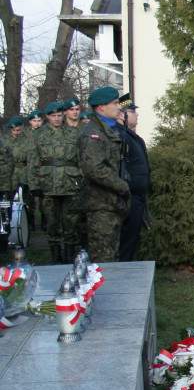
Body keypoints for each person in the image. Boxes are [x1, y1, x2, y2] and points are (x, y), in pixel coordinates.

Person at [78, 87, 130, 263]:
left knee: (112, 255)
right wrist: (122, 185)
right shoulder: (93, 133)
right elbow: (94, 169)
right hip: (99, 204)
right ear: (101, 107)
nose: (119, 107)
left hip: (111, 203)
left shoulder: (109, 130)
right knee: (103, 259)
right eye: (115, 103)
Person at [30, 101, 83, 264]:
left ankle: (68, 254)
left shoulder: (73, 134)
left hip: (69, 182)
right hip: (48, 183)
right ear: (47, 117)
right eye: (53, 116)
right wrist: (34, 185)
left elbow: (80, 159)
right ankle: (55, 254)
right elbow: (33, 161)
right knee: (52, 221)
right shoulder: (39, 135)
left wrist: (81, 179)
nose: (57, 119)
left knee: (71, 220)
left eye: (59, 115)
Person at [117, 93, 151, 261]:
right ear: (122, 114)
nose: (136, 114)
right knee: (125, 240)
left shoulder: (132, 137)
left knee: (132, 239)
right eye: (131, 111)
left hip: (137, 195)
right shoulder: (119, 136)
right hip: (128, 196)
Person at [7, 114, 37, 234]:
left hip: (25, 171)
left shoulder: (29, 140)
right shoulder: (5, 141)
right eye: (14, 130)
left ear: (23, 127)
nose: (16, 132)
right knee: (8, 200)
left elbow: (32, 158)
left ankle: (29, 224)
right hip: (11, 173)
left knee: (28, 200)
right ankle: (9, 224)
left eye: (18, 130)